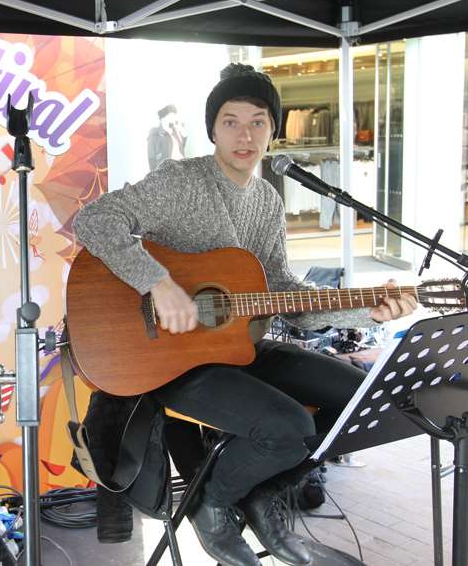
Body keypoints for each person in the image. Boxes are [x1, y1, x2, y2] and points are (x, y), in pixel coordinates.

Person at [73, 63, 416, 566]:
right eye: (231, 121)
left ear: (273, 131)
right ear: (212, 128)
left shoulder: (269, 203)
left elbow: (284, 295)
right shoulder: (180, 181)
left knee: (359, 401)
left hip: (238, 346)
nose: (245, 134)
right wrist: (158, 283)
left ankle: (256, 491)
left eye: (258, 122)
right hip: (170, 359)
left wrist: (368, 311)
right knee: (287, 426)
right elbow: (93, 219)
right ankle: (212, 510)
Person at [147, 103, 187, 172]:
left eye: (174, 115)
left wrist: (181, 130)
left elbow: (182, 147)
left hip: (181, 170)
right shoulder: (155, 133)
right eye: (172, 115)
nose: (173, 118)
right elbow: (151, 158)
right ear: (164, 117)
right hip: (166, 173)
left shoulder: (174, 130)